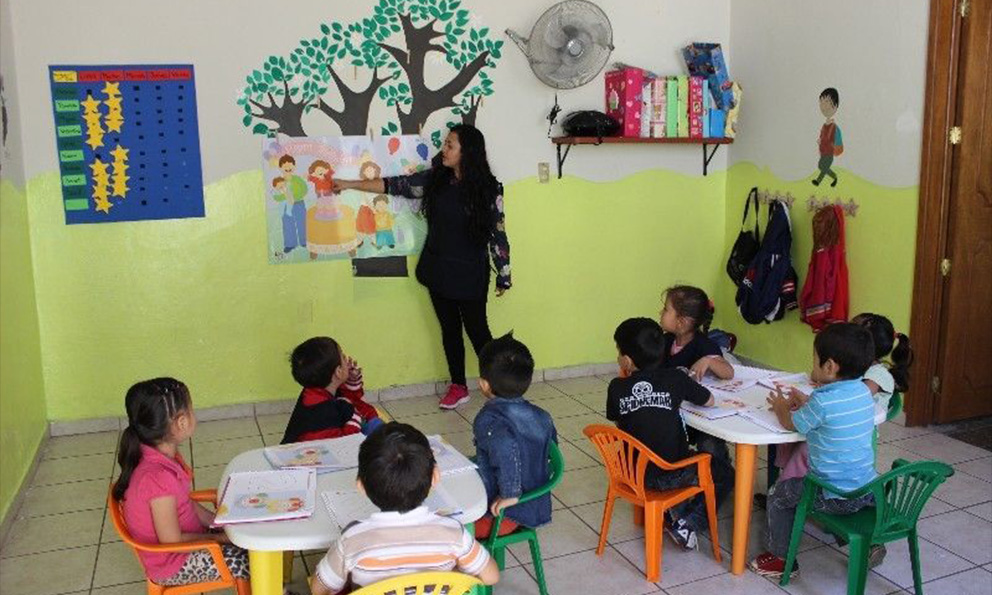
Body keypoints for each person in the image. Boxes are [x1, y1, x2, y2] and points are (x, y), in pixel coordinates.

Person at [333, 124, 511, 410]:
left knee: (478, 332)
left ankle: (502, 389)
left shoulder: (489, 189)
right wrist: (348, 184)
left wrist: (504, 274)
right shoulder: (436, 180)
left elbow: (497, 233)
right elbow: (394, 185)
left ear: (468, 153)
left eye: (451, 145)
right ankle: (458, 386)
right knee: (449, 330)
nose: (445, 149)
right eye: (446, 143)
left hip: (469, 272)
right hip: (438, 269)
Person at [749, 323, 878, 579]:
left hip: (834, 494)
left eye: (815, 360)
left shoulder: (822, 401)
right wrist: (807, 402)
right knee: (836, 500)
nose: (813, 364)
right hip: (866, 489)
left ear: (830, 367)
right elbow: (833, 414)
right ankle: (866, 545)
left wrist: (781, 406)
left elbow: (790, 423)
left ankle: (780, 559)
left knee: (777, 495)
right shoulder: (863, 392)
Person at [310, 422, 500, 595]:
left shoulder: (352, 539)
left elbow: (319, 589)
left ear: (361, 486)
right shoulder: (453, 532)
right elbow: (491, 576)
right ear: (435, 477)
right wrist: (456, 573)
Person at [607, 318, 734, 550]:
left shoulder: (616, 387)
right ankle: (688, 522)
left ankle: (675, 514)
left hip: (630, 471)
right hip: (669, 474)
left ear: (626, 360)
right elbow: (709, 400)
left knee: (680, 455)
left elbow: (619, 420)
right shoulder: (675, 379)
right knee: (724, 472)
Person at [113, 378, 250, 586]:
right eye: (191, 409)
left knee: (252, 536)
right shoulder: (157, 479)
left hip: (184, 543)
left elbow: (186, 504)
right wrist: (221, 538)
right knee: (252, 559)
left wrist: (219, 523)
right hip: (173, 563)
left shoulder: (159, 456)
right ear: (182, 422)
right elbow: (172, 542)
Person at [472, 333, 557, 539]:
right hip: (534, 508)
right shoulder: (543, 416)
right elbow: (549, 454)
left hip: (502, 516)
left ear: (483, 384)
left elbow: (506, 450)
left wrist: (510, 495)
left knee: (445, 524)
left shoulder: (488, 419)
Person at [281, 336, 381, 444]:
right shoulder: (321, 415)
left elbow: (354, 401)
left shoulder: (318, 388)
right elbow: (342, 442)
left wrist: (351, 381)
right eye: (343, 357)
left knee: (378, 427)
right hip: (315, 453)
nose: (347, 360)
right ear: (338, 372)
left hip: (330, 441)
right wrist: (355, 417)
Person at [852, 312, 913, 411]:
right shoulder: (857, 364)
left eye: (849, 333)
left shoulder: (876, 376)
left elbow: (854, 400)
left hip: (863, 423)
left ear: (864, 346)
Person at [274, 155, 309, 253]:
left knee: (302, 222)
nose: (288, 168)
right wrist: (284, 196)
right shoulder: (279, 181)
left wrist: (294, 196)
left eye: (290, 166)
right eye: (285, 166)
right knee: (288, 224)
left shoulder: (297, 179)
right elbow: (275, 195)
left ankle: (304, 241)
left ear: (294, 167)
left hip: (299, 204)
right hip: (286, 205)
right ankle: (290, 244)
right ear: (280, 168)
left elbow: (304, 190)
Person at [812, 87, 843, 187]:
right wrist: (820, 141)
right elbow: (822, 136)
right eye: (821, 102)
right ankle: (834, 177)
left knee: (823, 167)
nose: (823, 105)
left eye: (826, 101)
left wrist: (835, 147)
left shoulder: (834, 127)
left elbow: (838, 140)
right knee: (821, 166)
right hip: (823, 150)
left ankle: (818, 181)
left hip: (829, 152)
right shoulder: (824, 125)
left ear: (835, 106)